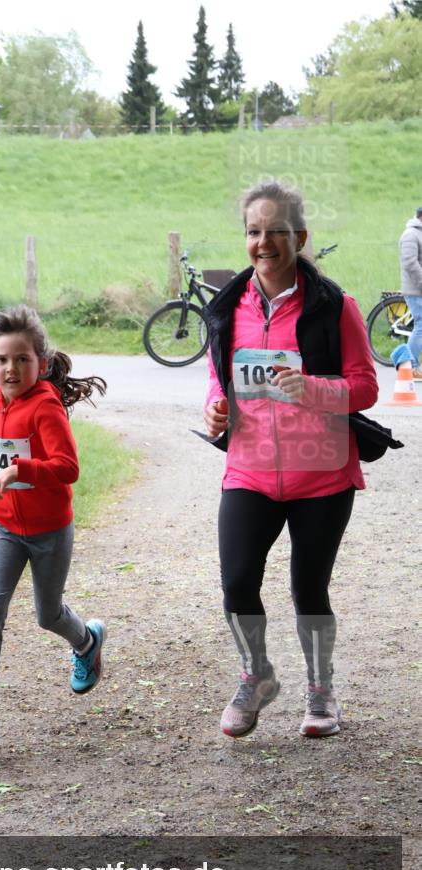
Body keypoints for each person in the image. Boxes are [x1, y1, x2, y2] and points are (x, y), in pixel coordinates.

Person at [203, 180, 378, 740]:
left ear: (299, 237)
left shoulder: (335, 306)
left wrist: (313, 389)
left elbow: (366, 386)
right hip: (250, 468)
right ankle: (256, 675)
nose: (264, 242)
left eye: (276, 231)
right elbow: (219, 378)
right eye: (254, 231)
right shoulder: (227, 308)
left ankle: (321, 690)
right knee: (236, 582)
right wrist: (216, 408)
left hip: (322, 473)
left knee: (309, 588)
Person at [0, 306, 107, 749]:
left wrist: (21, 469)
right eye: (2, 359)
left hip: (49, 530)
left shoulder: (45, 408)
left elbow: (67, 467)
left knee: (47, 614)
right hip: (3, 527)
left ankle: (87, 642)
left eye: (22, 359)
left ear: (41, 362)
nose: (11, 368)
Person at [398, 205, 422, 380]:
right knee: (421, 326)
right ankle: (411, 366)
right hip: (416, 289)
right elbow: (410, 263)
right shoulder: (410, 235)